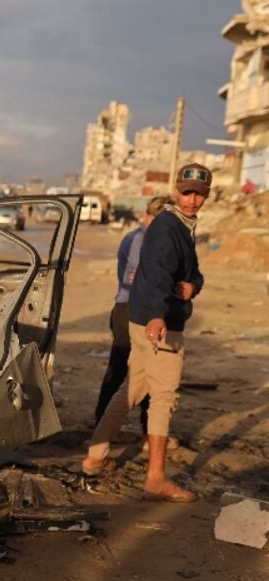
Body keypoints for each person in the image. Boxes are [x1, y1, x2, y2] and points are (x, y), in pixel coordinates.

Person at [81, 164, 209, 502]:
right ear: (176, 191)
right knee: (163, 398)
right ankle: (155, 478)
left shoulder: (181, 225)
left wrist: (192, 287)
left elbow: (193, 273)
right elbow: (155, 276)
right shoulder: (169, 228)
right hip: (158, 322)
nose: (192, 200)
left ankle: (95, 455)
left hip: (143, 320)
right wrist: (157, 316)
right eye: (187, 192)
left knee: (132, 390)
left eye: (199, 194)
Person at [92, 196, 169, 432]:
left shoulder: (149, 238)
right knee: (119, 369)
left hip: (140, 309)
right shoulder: (139, 239)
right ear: (149, 216)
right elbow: (141, 277)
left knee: (148, 370)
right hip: (128, 309)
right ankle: (101, 425)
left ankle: (147, 428)